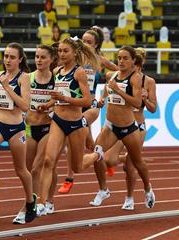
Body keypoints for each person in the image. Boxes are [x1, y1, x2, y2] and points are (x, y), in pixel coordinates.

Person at [83, 46, 155, 209]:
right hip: (110, 126)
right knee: (98, 154)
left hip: (129, 128)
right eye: (119, 58)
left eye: (125, 58)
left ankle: (147, 188)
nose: (121, 61)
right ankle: (103, 190)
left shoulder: (136, 79)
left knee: (136, 163)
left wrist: (118, 90)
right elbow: (106, 89)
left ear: (133, 62)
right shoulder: (111, 75)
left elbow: (137, 103)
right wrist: (102, 99)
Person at [0, 42, 37, 223]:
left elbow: (26, 106)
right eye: (6, 56)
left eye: (12, 57)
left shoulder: (23, 77)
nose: (8, 60)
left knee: (21, 170)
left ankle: (30, 201)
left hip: (16, 128)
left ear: (19, 59)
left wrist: (8, 87)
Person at [36, 37, 97, 209]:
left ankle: (96, 155)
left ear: (74, 53)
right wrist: (46, 105)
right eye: (60, 51)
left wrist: (65, 98)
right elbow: (56, 98)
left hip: (75, 123)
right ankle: (43, 203)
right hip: (58, 120)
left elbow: (87, 101)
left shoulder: (79, 73)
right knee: (48, 161)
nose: (61, 54)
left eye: (65, 51)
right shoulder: (56, 72)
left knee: (77, 167)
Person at [58, 27, 119, 194]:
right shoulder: (74, 60)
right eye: (82, 41)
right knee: (90, 144)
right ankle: (104, 161)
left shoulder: (100, 60)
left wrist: (106, 94)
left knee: (74, 134)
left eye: (88, 42)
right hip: (74, 104)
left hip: (90, 105)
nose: (84, 44)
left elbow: (120, 72)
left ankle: (69, 179)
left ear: (96, 44)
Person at [103, 47, 157, 210]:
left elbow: (153, 108)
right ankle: (128, 157)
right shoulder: (121, 76)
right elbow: (112, 73)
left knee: (131, 166)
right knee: (109, 159)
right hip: (120, 124)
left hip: (137, 127)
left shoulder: (148, 81)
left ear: (137, 65)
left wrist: (145, 100)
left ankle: (130, 197)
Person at [12, 44, 57, 224]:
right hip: (30, 128)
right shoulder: (27, 78)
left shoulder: (56, 79)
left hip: (49, 127)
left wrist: (51, 108)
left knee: (39, 167)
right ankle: (48, 200)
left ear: (51, 60)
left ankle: (30, 206)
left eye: (43, 57)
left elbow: (63, 101)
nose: (38, 60)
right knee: (29, 171)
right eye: (37, 57)